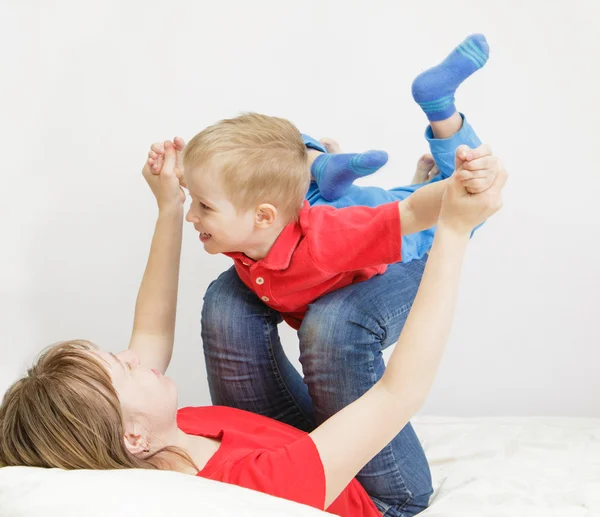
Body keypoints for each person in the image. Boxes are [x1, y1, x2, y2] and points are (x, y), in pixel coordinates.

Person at [0, 139, 506, 516]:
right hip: (380, 491)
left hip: (294, 442)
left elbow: (151, 334)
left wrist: (169, 207)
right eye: (123, 367)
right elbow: (399, 393)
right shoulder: (255, 487)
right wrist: (455, 232)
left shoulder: (158, 435)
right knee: (335, 325)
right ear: (132, 436)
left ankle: (402, 201)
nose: (135, 355)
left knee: (227, 299)